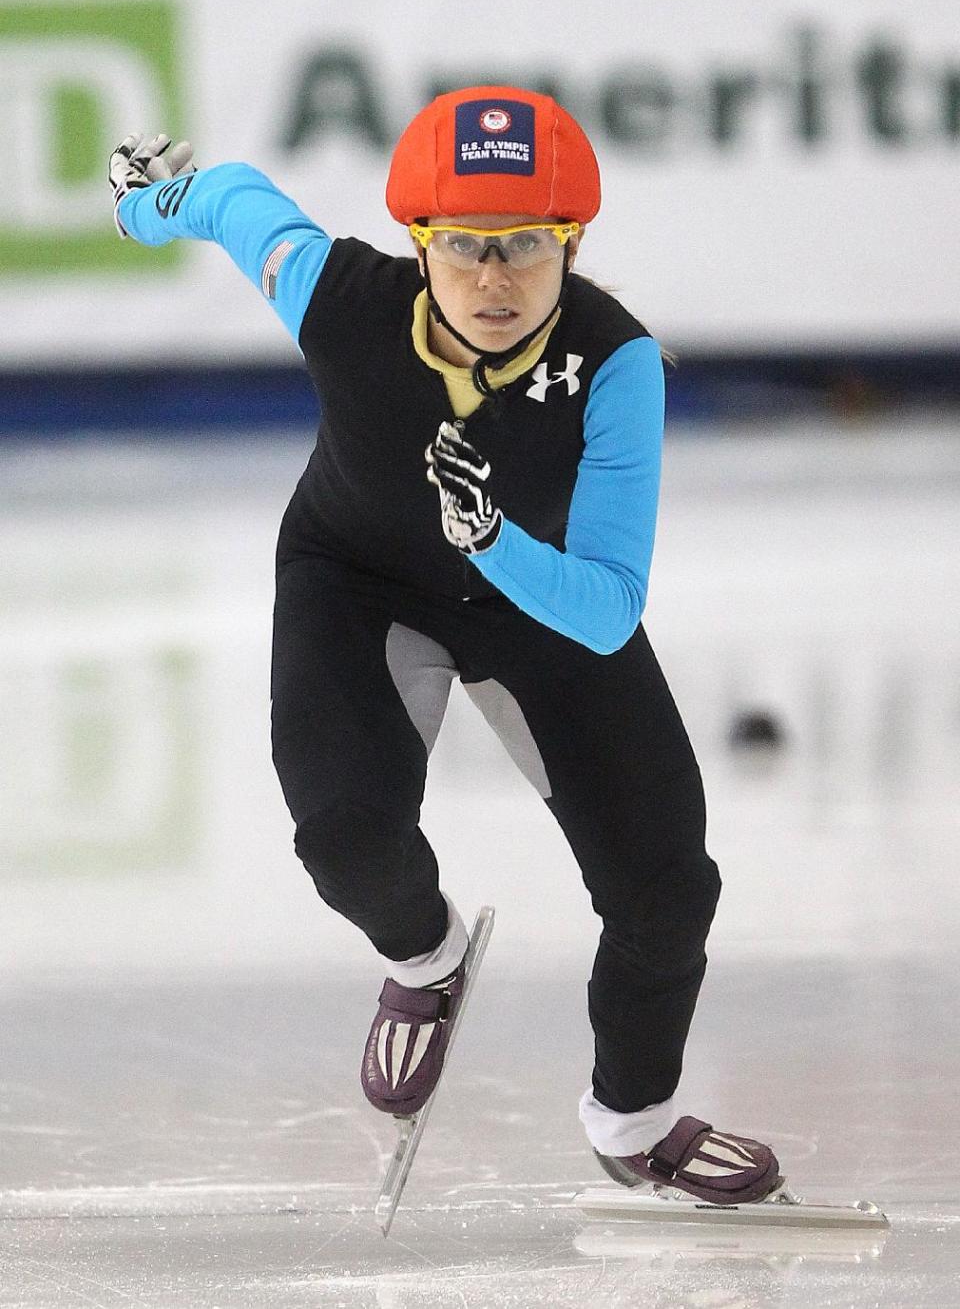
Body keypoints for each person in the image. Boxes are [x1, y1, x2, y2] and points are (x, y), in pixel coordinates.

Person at [108, 86, 781, 1204]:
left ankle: (634, 1117)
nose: (495, 278)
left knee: (668, 892)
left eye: (526, 246)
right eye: (466, 247)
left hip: (543, 598)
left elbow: (609, 605)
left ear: (573, 242)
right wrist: (142, 210)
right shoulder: (338, 297)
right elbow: (229, 202)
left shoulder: (615, 370)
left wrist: (490, 538)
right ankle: (426, 957)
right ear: (422, 240)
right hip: (357, 578)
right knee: (343, 839)